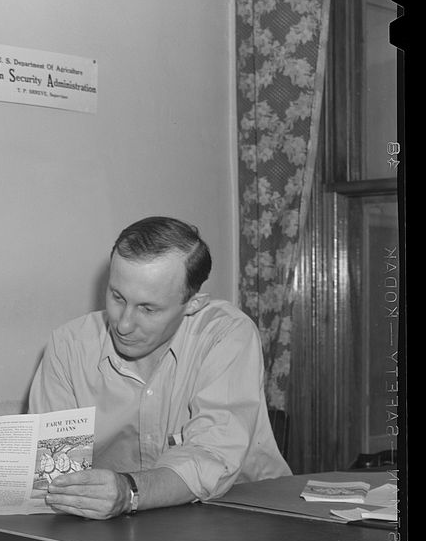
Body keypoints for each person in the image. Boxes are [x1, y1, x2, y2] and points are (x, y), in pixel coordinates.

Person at [27, 216, 290, 520]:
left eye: (148, 309)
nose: (123, 324)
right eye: (117, 297)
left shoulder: (226, 334)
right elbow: (54, 472)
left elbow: (212, 455)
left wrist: (128, 491)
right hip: (125, 528)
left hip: (246, 517)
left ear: (193, 304)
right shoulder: (68, 345)